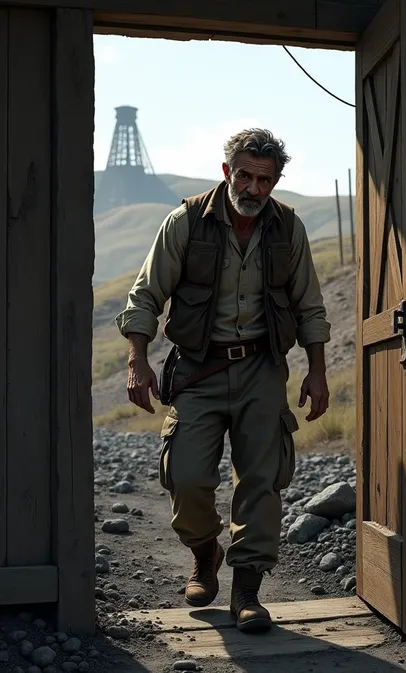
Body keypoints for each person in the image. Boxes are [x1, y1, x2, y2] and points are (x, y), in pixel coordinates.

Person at [115, 128, 331, 633]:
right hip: (199, 367)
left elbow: (309, 305)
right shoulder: (186, 222)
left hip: (262, 368)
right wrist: (137, 360)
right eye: (245, 176)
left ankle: (247, 591)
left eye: (265, 180)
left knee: (262, 478)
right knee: (185, 474)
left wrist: (318, 371)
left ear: (274, 182)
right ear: (227, 171)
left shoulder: (288, 227)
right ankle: (204, 552)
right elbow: (146, 295)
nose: (254, 189)